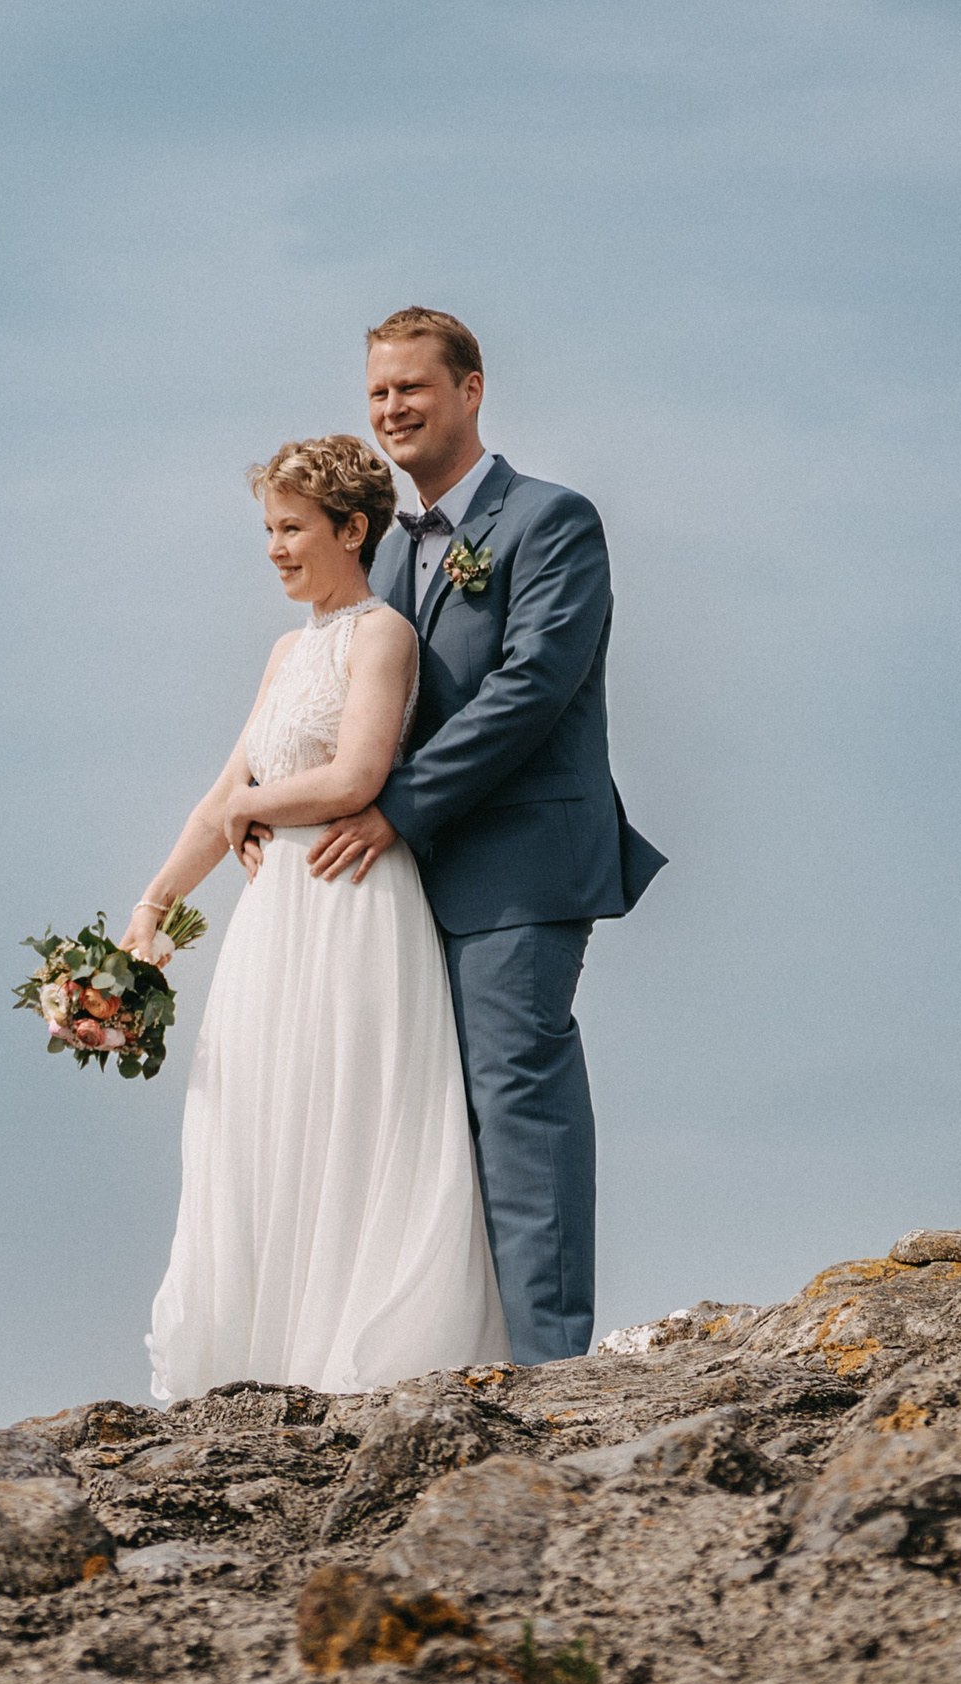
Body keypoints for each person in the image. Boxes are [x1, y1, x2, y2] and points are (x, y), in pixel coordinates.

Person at [303, 307, 666, 1366]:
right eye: (377, 393)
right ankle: (457, 1348)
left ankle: (550, 1364)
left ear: (470, 390)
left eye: (412, 387)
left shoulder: (550, 520)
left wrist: (395, 808)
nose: (392, 409)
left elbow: (528, 691)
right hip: (408, 876)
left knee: (516, 1092)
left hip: (519, 862)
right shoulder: (382, 557)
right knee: (425, 1109)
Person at [120, 436, 511, 1399]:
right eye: (269, 529)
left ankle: (346, 1361)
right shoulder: (286, 651)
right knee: (256, 1118)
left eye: (292, 528)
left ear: (352, 529)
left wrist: (258, 809)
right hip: (274, 921)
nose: (275, 549)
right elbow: (226, 791)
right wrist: (151, 909)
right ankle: (254, 1363)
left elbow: (357, 776)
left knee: (343, 1114)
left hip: (350, 905)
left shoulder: (384, 634)